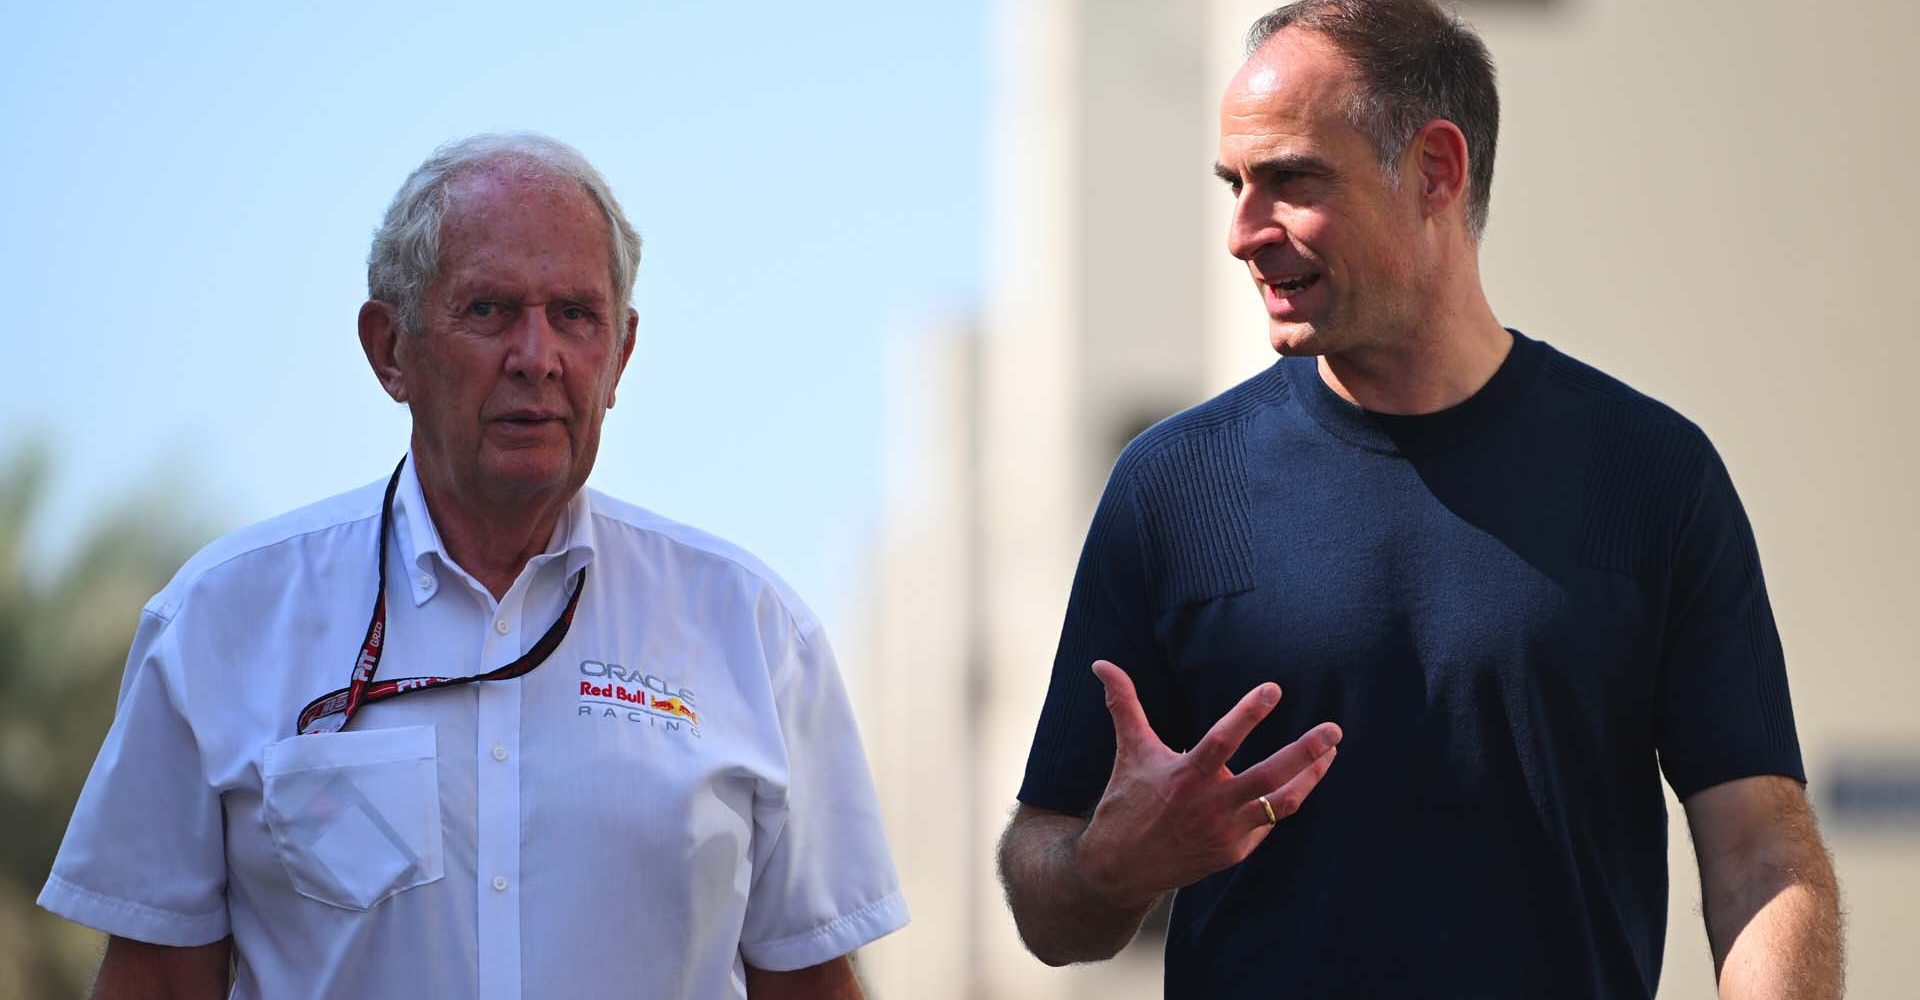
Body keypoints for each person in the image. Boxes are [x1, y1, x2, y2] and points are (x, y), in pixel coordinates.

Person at [996, 2, 1842, 997]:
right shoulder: (1176, 489)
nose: (1241, 233)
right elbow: (1045, 886)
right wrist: (1109, 866)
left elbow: (1760, 853)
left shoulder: (1650, 474)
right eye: (1235, 185)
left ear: (1436, 170)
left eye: (1291, 180)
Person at [40, 133, 907, 1000]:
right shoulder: (223, 619)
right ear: (391, 350)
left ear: (621, 355)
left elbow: (813, 983)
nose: (538, 356)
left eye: (575, 314)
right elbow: (154, 978)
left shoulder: (752, 630)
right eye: (490, 310)